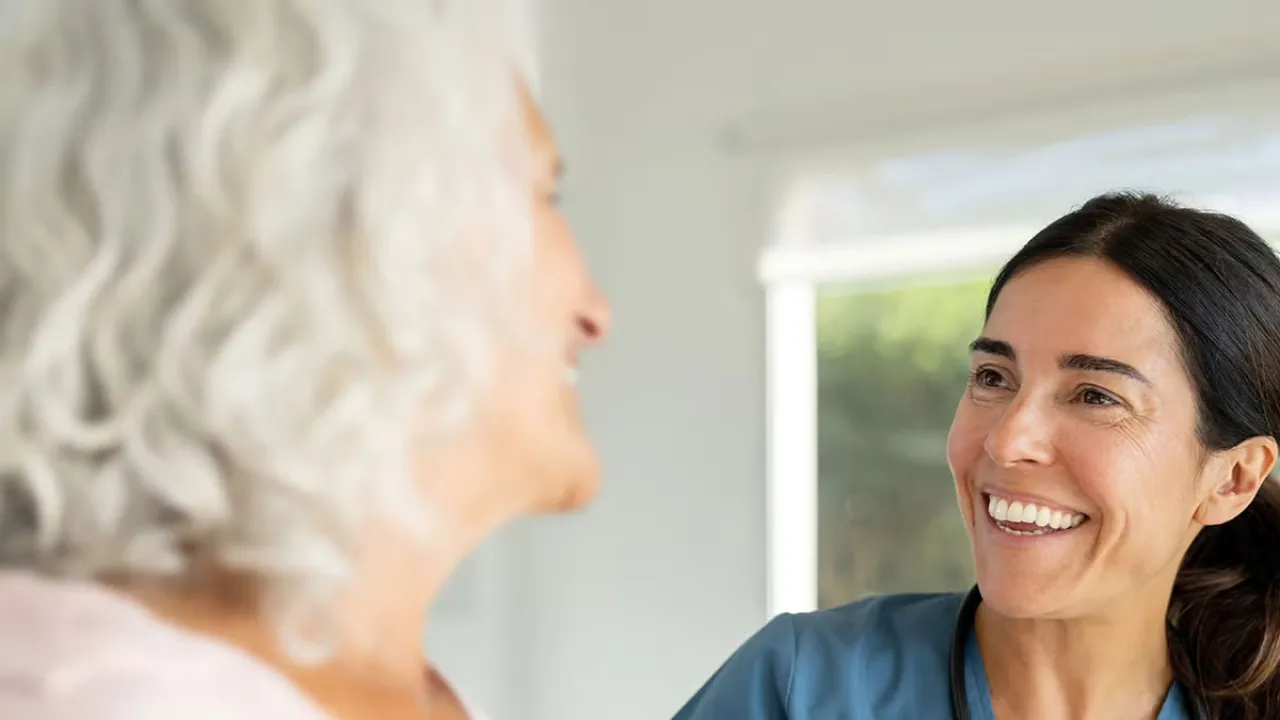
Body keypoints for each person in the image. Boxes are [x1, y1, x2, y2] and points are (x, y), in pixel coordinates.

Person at [0, 1, 610, 719]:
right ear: (360, 234)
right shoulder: (106, 700)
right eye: (545, 191)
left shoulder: (374, 688)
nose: (597, 315)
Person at [673, 192, 1280, 720]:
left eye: (1096, 395)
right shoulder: (801, 686)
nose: (1007, 440)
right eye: (993, 376)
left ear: (1231, 479)